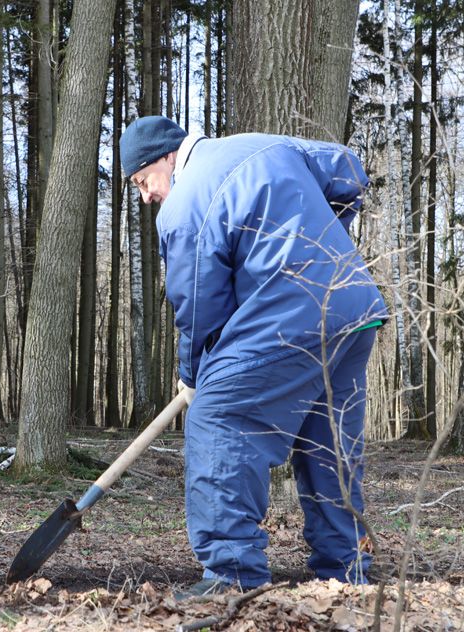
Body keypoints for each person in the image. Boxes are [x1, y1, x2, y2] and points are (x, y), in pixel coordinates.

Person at [119, 117, 387, 597]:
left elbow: (198, 306)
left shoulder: (184, 203)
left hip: (290, 318)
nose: (145, 196)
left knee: (219, 419)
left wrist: (194, 374)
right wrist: (324, 240)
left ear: (164, 158)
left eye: (142, 182)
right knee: (327, 438)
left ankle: (232, 575)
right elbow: (347, 170)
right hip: (351, 304)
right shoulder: (264, 145)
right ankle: (348, 572)